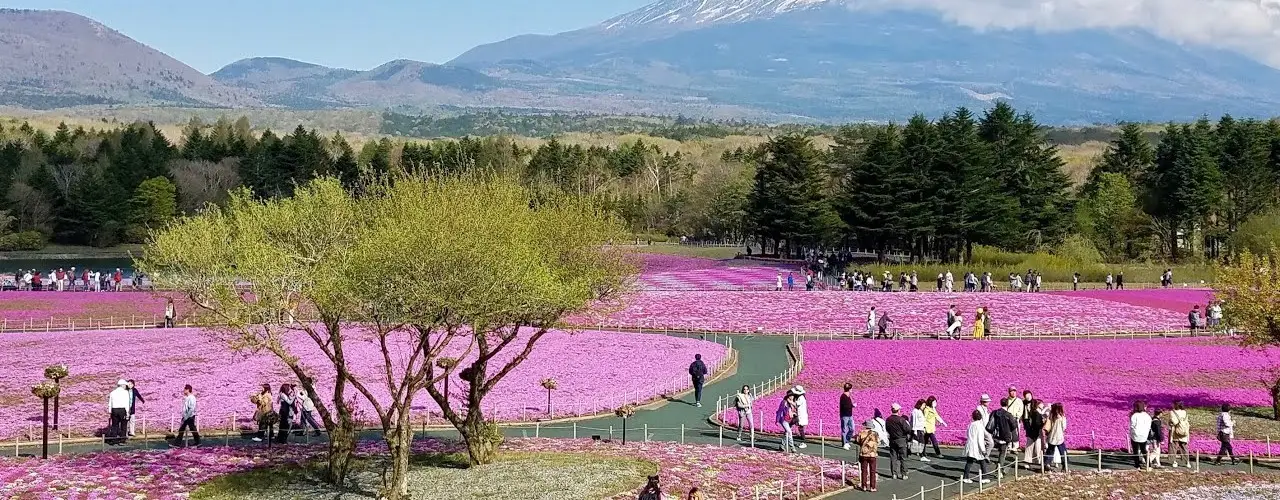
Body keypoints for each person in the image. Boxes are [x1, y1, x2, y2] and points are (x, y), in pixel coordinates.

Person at [988, 397, 1018, 476]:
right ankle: (999, 471)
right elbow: (1014, 425)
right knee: (1002, 454)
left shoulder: (995, 412)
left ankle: (999, 469)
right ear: (1007, 404)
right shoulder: (1008, 415)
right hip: (1005, 437)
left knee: (1001, 453)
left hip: (996, 436)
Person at [963, 409, 992, 484]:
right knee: (982, 461)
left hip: (970, 445)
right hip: (976, 447)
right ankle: (984, 477)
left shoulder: (970, 424)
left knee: (969, 462)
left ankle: (966, 477)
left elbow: (967, 434)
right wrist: (983, 450)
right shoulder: (980, 426)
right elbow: (980, 439)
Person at [885, 403, 912, 480]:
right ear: (898, 410)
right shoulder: (901, 420)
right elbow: (908, 429)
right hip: (901, 440)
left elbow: (887, 428)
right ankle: (904, 474)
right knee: (903, 457)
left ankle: (894, 474)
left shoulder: (888, 419)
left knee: (893, 457)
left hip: (892, 440)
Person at [855, 421, 880, 492]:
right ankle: (873, 487)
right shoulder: (875, 434)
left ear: (865, 426)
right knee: (873, 471)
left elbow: (858, 441)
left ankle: (864, 486)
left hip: (864, 454)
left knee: (864, 471)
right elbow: (878, 441)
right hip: (872, 454)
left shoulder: (861, 433)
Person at [1129, 400, 1152, 469]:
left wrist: (1132, 432)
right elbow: (1149, 426)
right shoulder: (1147, 416)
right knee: (1143, 450)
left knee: (1135, 450)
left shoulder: (1134, 416)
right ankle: (1149, 464)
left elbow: (1132, 426)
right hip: (1144, 436)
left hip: (1135, 435)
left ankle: (1137, 465)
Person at [1022, 399, 1045, 468]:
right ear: (1038, 405)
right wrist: (1043, 422)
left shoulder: (1034, 412)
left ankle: (1031, 461)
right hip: (1035, 433)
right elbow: (1037, 424)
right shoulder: (1037, 413)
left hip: (1032, 432)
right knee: (1032, 447)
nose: (1043, 405)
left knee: (1032, 447)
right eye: (1042, 403)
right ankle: (1031, 462)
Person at [1044, 403, 1067, 470]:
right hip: (1059, 437)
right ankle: (1064, 465)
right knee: (1062, 451)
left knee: (1050, 451)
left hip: (1052, 436)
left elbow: (1048, 426)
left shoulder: (1051, 416)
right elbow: (1064, 427)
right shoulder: (1062, 417)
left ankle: (1047, 463)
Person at [1169, 400, 1191, 467]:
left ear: (1175, 404)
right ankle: (1187, 462)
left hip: (1175, 432)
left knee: (1173, 447)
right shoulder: (1185, 412)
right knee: (1184, 447)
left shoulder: (1172, 412)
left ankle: (1174, 462)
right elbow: (1186, 422)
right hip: (1184, 431)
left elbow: (1173, 422)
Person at [1006, 387, 1024, 452]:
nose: (1013, 393)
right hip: (1008, 419)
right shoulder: (1007, 400)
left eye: (1014, 391)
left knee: (1016, 432)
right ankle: (1009, 446)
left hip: (1015, 418)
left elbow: (1021, 410)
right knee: (1009, 432)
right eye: (1011, 391)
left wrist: (1017, 416)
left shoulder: (1019, 400)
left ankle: (1015, 447)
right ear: (1009, 392)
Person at [839, 383, 856, 450]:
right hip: (844, 415)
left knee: (852, 429)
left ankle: (847, 441)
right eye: (851, 389)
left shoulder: (848, 396)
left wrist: (852, 405)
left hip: (850, 415)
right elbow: (845, 406)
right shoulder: (843, 396)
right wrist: (852, 406)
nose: (852, 390)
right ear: (849, 389)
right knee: (844, 430)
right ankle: (844, 443)